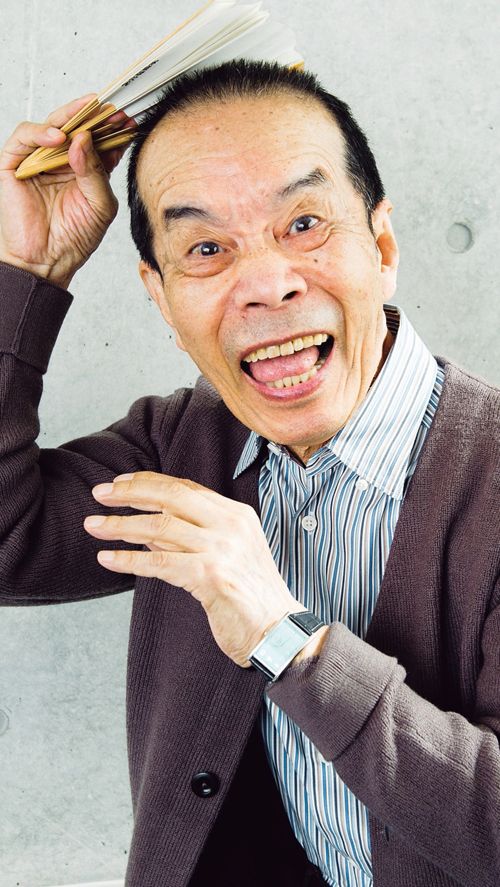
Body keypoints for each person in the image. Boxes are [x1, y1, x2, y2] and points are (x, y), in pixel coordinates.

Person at [0, 61, 498, 887]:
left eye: (303, 223)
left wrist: (287, 640)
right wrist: (27, 272)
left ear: (382, 247)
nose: (267, 284)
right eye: (206, 248)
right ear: (162, 299)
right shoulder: (180, 444)